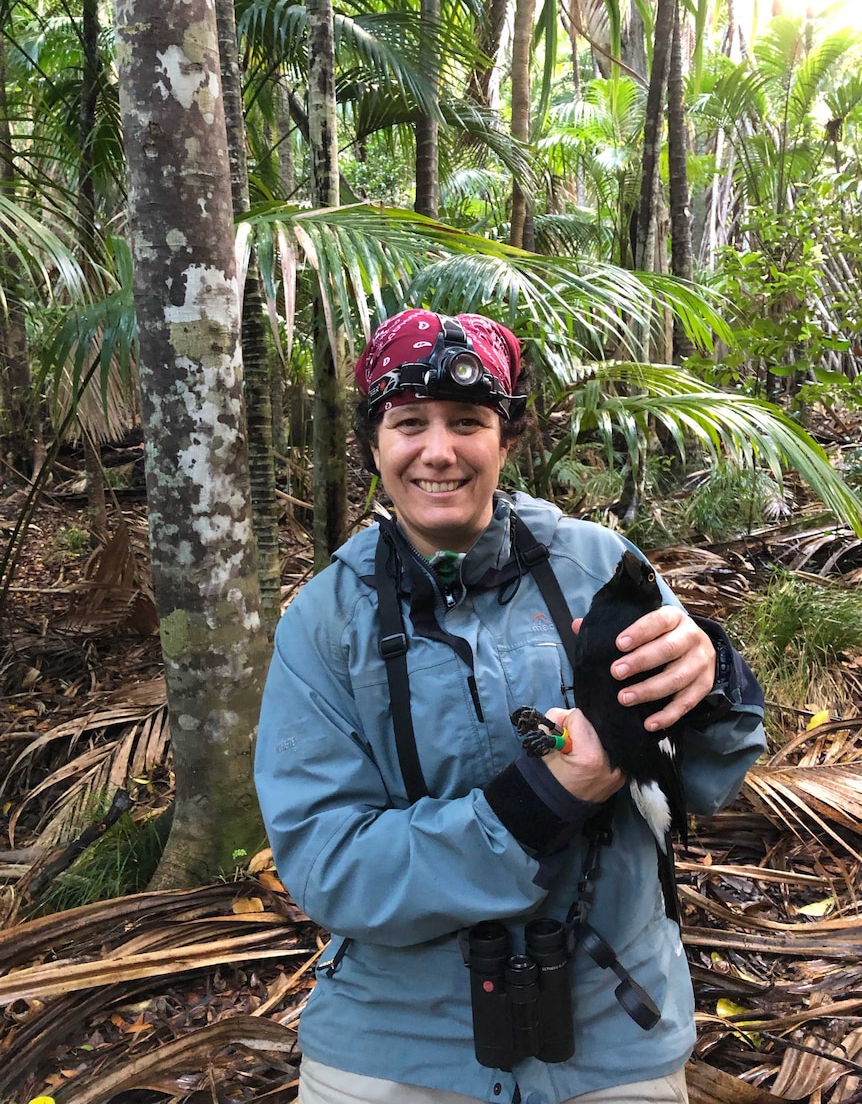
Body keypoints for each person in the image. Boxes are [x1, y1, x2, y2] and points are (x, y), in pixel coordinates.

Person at [255, 309, 765, 1104]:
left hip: (611, 1029)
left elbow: (704, 776)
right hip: (396, 1049)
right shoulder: (324, 621)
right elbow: (328, 864)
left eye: (468, 422)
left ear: (506, 439)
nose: (439, 450)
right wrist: (537, 802)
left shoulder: (599, 566)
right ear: (374, 445)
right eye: (409, 423)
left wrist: (716, 676)